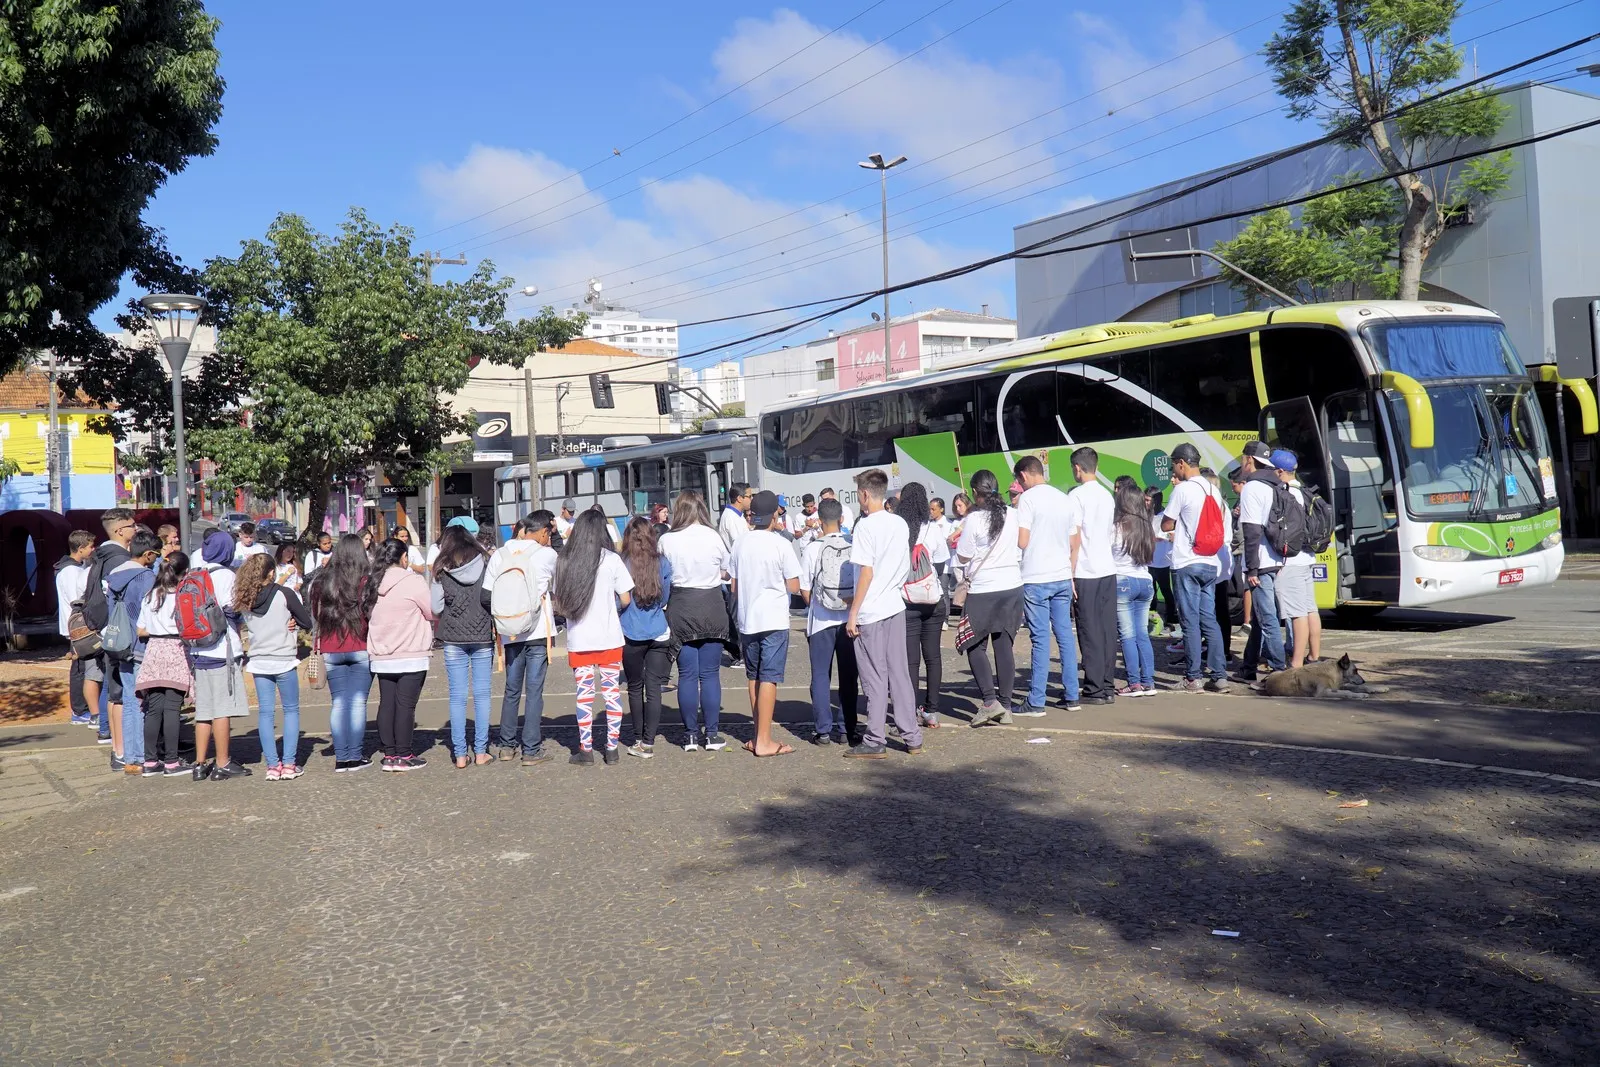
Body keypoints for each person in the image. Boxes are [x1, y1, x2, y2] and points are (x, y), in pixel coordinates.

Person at [841, 469, 922, 758]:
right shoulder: (899, 522)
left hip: (872, 609)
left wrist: (853, 613)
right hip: (894, 606)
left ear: (864, 494)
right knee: (899, 673)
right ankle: (911, 735)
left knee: (875, 677)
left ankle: (875, 738)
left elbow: (866, 572)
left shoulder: (865, 527)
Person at [552, 509, 634, 765]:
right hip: (609, 637)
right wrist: (611, 609)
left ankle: (585, 749)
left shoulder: (564, 560)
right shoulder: (612, 559)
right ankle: (612, 749)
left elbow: (558, 602)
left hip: (580, 639)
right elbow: (626, 598)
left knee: (584, 695)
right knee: (612, 694)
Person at [729, 490, 801, 758]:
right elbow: (794, 585)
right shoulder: (780, 544)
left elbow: (733, 586)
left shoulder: (740, 542)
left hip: (747, 618)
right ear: (774, 516)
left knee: (754, 676)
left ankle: (757, 734)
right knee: (769, 677)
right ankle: (764, 741)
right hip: (773, 618)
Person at [660, 491, 731, 752]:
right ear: (702, 508)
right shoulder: (713, 536)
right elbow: (726, 571)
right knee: (710, 674)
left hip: (681, 606)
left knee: (687, 675)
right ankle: (711, 735)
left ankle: (690, 736)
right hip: (711, 604)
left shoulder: (667, 539)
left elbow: (662, 573)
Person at [486, 511, 558, 765]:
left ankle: (506, 746)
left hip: (510, 630)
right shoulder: (547, 555)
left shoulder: (499, 554)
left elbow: (486, 594)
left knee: (511, 689)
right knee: (534, 691)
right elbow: (556, 587)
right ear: (543, 532)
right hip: (538, 631)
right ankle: (531, 749)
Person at [235, 553, 315, 780]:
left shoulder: (245, 597)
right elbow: (306, 622)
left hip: (259, 660)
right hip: (283, 658)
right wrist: (292, 621)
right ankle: (289, 764)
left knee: (265, 713)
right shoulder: (284, 594)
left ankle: (272, 765)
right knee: (291, 710)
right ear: (271, 572)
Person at [1161, 443, 1232, 693]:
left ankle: (1193, 678)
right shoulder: (1213, 490)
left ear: (1181, 463)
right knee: (1209, 619)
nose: (1174, 471)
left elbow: (1166, 524)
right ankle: (1220, 677)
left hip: (1187, 562)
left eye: (1174, 465)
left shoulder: (1182, 490)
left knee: (1190, 621)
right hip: (1210, 562)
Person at [1013, 455, 1079, 715]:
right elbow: (1073, 542)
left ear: (1024, 475)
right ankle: (1072, 695)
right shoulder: (1064, 499)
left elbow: (1022, 541)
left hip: (1036, 576)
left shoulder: (1028, 499)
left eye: (1019, 480)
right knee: (1065, 636)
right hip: (1062, 575)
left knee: (1040, 639)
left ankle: (1036, 700)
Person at [959, 469, 1025, 726]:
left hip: (984, 589)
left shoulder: (974, 519)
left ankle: (989, 702)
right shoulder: (1013, 514)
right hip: (1012, 586)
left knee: (973, 644)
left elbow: (964, 555)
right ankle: (1005, 706)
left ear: (975, 492)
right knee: (1003, 644)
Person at [307, 534, 377, 771]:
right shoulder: (365, 581)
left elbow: (315, 614)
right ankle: (355, 756)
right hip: (360, 645)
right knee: (357, 703)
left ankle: (341, 757)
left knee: (338, 702)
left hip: (330, 647)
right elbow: (372, 614)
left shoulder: (321, 581)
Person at [367, 538, 436, 771]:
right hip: (411, 651)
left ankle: (389, 754)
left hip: (382, 652)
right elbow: (432, 611)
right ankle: (404, 754)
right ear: (404, 558)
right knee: (406, 705)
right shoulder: (413, 581)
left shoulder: (373, 581)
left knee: (387, 703)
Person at [431, 524, 495, 769]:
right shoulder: (486, 562)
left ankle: (459, 755)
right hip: (482, 635)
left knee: (457, 697)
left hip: (453, 637)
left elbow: (436, 607)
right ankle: (481, 752)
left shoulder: (440, 568)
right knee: (482, 695)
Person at [191, 530, 252, 779]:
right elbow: (232, 611)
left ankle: (199, 763)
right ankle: (223, 762)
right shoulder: (227, 575)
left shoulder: (195, 574)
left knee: (203, 711)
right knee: (221, 710)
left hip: (198, 648)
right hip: (222, 649)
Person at [1063, 447, 1119, 705]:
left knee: (1089, 629)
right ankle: (1107, 685)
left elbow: (1074, 540)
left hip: (1085, 570)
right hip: (1107, 568)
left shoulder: (1076, 496)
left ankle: (1094, 688)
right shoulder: (1107, 495)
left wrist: (1070, 573)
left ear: (1077, 468)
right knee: (1107, 629)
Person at [800, 498, 858, 745]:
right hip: (848, 619)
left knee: (821, 675)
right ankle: (847, 730)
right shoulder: (852, 544)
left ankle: (823, 731)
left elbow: (804, 588)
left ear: (819, 521)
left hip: (821, 620)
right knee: (849, 676)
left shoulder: (813, 548)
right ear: (841, 519)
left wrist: (817, 603)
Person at [134, 551, 194, 776]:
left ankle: (150, 761)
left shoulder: (150, 596)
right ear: (184, 573)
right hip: (176, 650)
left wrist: (156, 628)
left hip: (154, 651)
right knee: (172, 709)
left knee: (154, 709)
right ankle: (171, 762)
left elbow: (140, 629)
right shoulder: (181, 597)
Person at [106, 529, 161, 772]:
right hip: (141, 645)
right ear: (148, 554)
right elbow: (151, 613)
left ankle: (130, 758)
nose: (157, 559)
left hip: (120, 644)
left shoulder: (115, 575)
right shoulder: (146, 578)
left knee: (129, 701)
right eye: (156, 554)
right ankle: (140, 756)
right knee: (141, 703)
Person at [1235, 440, 1288, 683]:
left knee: (1267, 617)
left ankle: (1279, 670)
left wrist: (1252, 568)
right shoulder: (1275, 485)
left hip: (1260, 562)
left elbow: (1252, 531)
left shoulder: (1252, 488)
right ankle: (1248, 667)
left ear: (1249, 459)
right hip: (1275, 557)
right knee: (1259, 617)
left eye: (1242, 458)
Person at [84, 507, 138, 746]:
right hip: (120, 631)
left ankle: (108, 731)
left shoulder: (102, 555)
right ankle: (121, 743)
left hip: (108, 629)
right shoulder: (119, 560)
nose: (136, 529)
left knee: (111, 681)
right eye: (132, 526)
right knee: (119, 689)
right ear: (120, 530)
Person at [619, 517, 672, 759]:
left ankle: (638, 738)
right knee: (654, 688)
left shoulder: (623, 562)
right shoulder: (662, 562)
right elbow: (665, 597)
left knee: (634, 686)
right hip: (658, 630)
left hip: (631, 630)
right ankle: (648, 742)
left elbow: (618, 600)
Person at [897, 481, 949, 728]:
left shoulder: (899, 529)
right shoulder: (932, 528)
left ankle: (909, 711)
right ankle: (932, 710)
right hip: (933, 599)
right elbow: (940, 563)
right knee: (933, 656)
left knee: (910, 661)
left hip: (907, 600)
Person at [1273, 449, 1323, 669]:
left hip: (1291, 560)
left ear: (1280, 471)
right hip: (1307, 557)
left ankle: (1296, 663)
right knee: (1310, 609)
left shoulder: (1285, 494)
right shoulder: (1304, 491)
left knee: (1297, 614)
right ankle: (1314, 656)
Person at [1111, 476, 1158, 697]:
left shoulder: (1117, 527)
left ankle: (1134, 683)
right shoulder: (1146, 527)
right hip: (1145, 581)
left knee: (1127, 635)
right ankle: (1148, 682)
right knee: (1142, 634)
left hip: (1123, 581)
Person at [55, 530, 94, 726]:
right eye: (90, 546)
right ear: (80, 549)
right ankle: (79, 710)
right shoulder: (71, 572)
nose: (93, 550)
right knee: (79, 669)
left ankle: (81, 708)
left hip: (78, 627)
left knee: (82, 667)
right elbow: (76, 600)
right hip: (77, 628)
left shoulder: (76, 568)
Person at [1145, 486, 1176, 632]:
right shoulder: (1145, 515)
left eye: (1148, 500)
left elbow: (1172, 535)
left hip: (1162, 559)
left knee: (1165, 589)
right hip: (1149, 559)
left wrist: (1162, 536)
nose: (1145, 503)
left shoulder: (1166, 515)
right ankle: (1151, 617)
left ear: (1155, 501)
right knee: (1150, 590)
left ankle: (1171, 617)